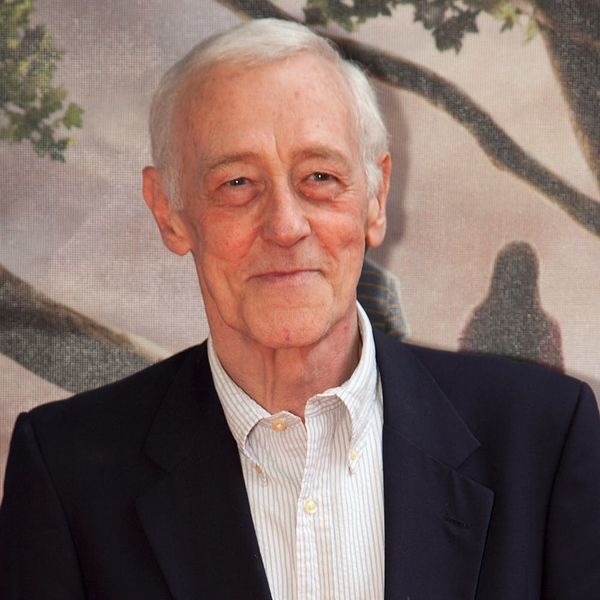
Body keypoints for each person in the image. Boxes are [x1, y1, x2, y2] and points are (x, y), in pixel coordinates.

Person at [1, 18, 599, 600]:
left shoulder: (543, 440)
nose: (286, 226)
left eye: (319, 176)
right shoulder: (66, 473)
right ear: (169, 213)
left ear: (375, 198)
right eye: (237, 183)